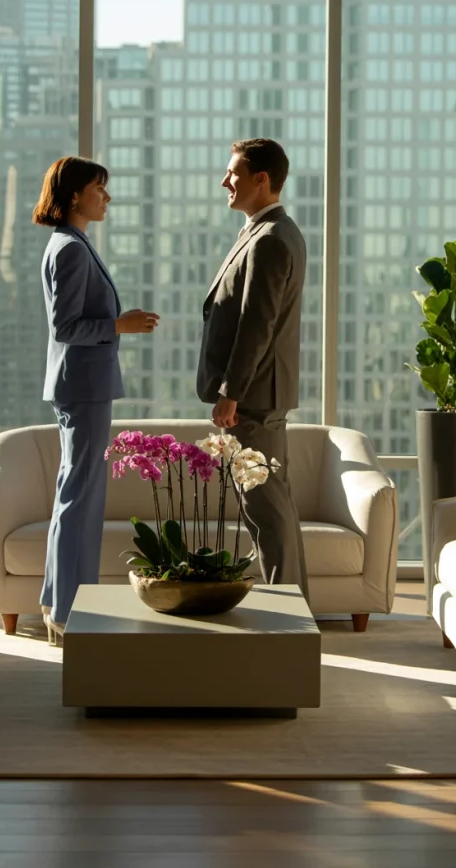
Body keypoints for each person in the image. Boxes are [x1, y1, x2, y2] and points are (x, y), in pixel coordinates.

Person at [32, 156, 159, 642]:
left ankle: (55, 602)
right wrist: (118, 325)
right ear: (73, 197)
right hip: (83, 387)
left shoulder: (73, 244)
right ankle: (67, 611)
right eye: (99, 188)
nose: (106, 197)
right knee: (80, 498)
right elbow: (65, 327)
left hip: (82, 386)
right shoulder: (70, 249)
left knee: (75, 492)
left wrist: (115, 324)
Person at [196, 138, 309, 604]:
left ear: (261, 179)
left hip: (255, 397)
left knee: (265, 508)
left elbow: (255, 325)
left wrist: (231, 392)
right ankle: (293, 606)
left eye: (234, 173)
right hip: (259, 394)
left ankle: (288, 613)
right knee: (269, 505)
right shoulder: (264, 232)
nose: (226, 181)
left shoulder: (271, 239)